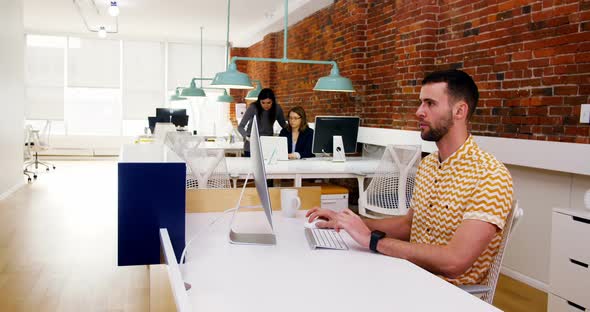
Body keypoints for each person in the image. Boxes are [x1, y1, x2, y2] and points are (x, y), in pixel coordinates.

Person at [306, 69, 513, 286]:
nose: (419, 112)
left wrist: (373, 241)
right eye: (421, 102)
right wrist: (350, 223)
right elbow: (409, 225)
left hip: (447, 294)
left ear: (459, 111)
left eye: (430, 103)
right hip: (408, 274)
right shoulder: (428, 165)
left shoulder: (490, 176)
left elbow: (454, 262)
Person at [238, 88, 287, 157]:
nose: (266, 105)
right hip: (251, 146)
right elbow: (240, 127)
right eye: (263, 103)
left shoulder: (277, 108)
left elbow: (284, 125)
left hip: (268, 145)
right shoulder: (253, 107)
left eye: (269, 103)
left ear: (273, 101)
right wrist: (247, 137)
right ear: (259, 101)